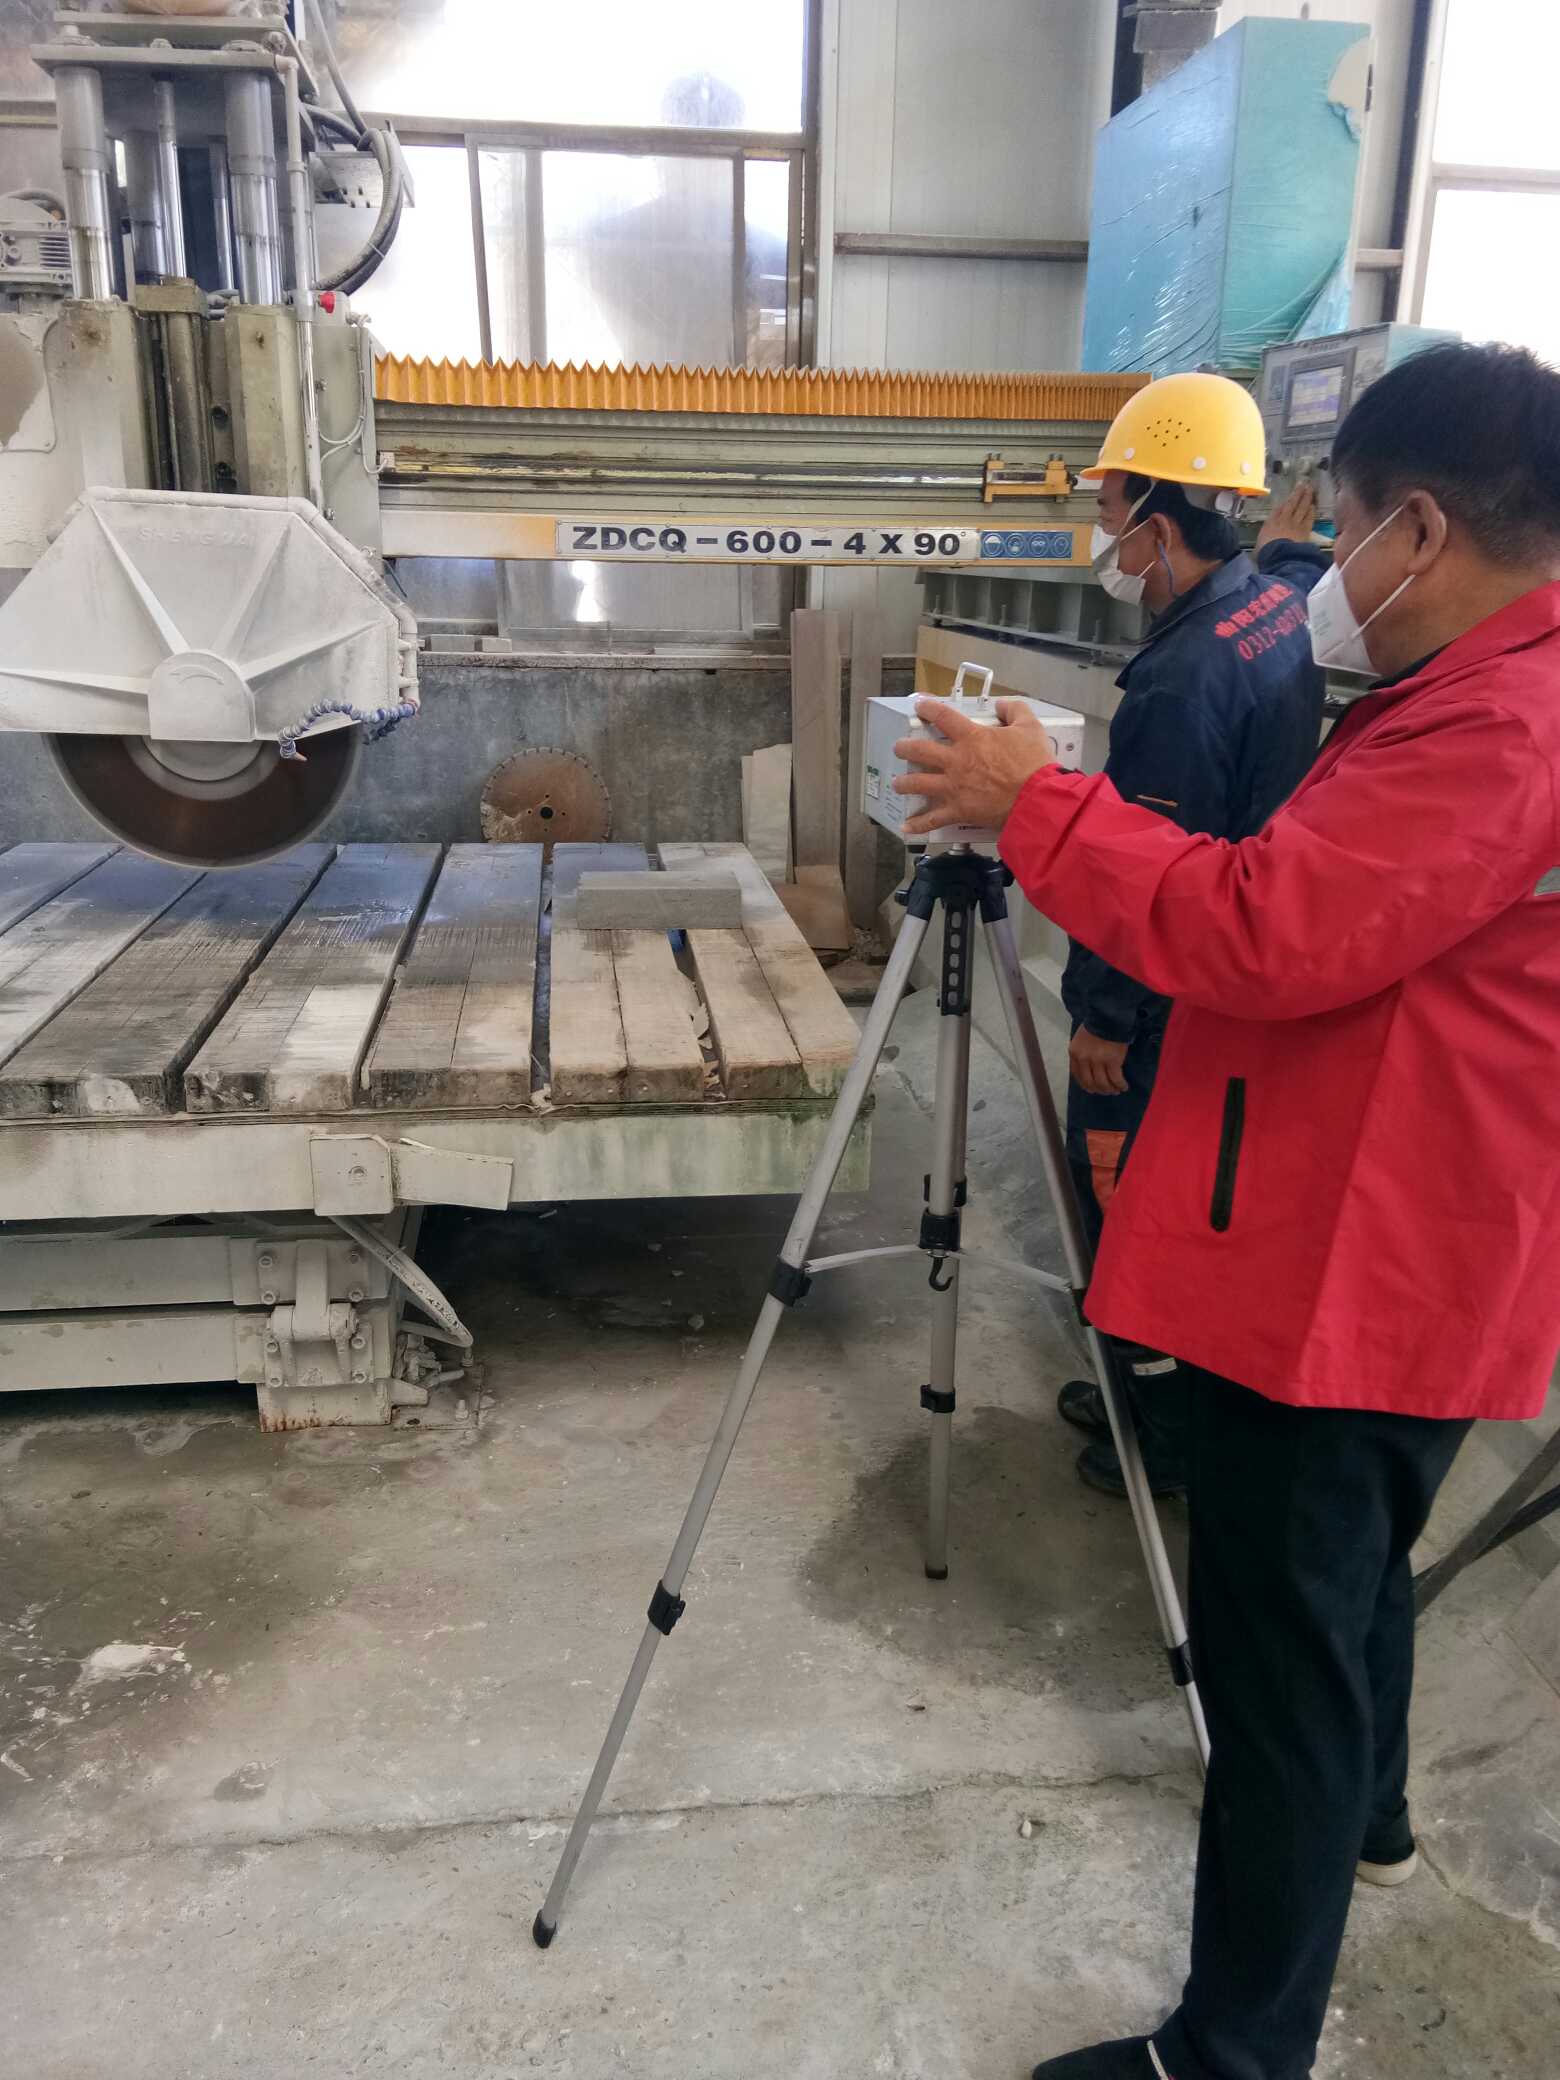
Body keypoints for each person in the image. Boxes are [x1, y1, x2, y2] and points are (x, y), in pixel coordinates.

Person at [890, 340, 1560, 2080]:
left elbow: (1263, 926)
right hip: (1409, 1228)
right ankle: (1375, 1815)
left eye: (1345, 526)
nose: (1323, 567)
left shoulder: (1502, 721)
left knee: (1275, 1664)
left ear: (1422, 528)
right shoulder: (1470, 687)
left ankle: (1232, 2054)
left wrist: (1035, 808)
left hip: (1360, 1266)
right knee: (1352, 1582)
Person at [1061, 374, 1328, 1502]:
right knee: (1177, 1197)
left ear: (1160, 523)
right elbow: (1296, 572)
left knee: (1125, 1200)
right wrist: (1295, 548)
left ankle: (1163, 1428)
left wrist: (1105, 1019)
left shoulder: (1181, 679)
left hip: (1160, 1004)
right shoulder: (1272, 604)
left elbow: (1146, 877)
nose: (1110, 546)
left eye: (1112, 515)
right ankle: (1143, 1389)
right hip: (1228, 977)